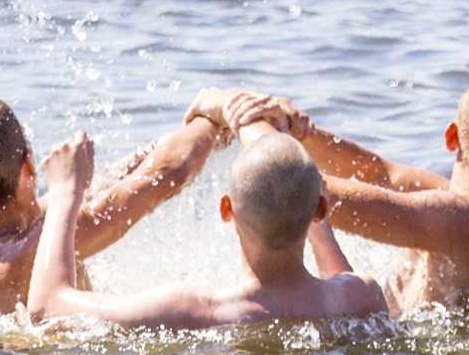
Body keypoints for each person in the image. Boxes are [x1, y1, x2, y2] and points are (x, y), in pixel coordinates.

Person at [228, 77, 469, 314]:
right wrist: (299, 132)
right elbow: (383, 173)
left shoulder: (460, 220)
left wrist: (247, 118)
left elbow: (299, 187)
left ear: (452, 137)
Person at [27, 120, 387, 329]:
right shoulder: (360, 298)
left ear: (227, 209)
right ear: (321, 210)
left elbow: (45, 308)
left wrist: (65, 193)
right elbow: (343, 283)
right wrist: (308, 209)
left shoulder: (194, 310)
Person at [0, 92, 231, 315]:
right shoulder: (32, 249)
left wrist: (200, 134)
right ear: (29, 164)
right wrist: (212, 114)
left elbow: (118, 184)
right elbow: (167, 176)